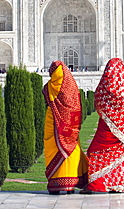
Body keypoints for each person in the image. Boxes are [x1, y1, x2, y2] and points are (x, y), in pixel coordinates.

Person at [82, 58, 124, 193]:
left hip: (108, 127)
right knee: (118, 152)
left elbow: (99, 96)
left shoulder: (108, 84)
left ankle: (98, 184)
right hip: (123, 127)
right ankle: (121, 181)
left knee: (95, 152)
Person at [42, 60, 88, 194]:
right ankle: (70, 185)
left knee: (53, 150)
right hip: (70, 129)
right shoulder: (71, 86)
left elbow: (46, 99)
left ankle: (56, 184)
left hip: (53, 123)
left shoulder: (49, 87)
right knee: (72, 153)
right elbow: (76, 107)